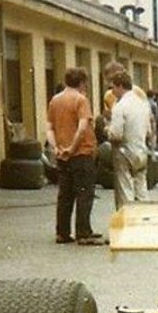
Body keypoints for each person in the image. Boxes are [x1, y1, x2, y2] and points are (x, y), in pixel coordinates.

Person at [45, 67, 102, 245]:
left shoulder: (55, 100)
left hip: (62, 155)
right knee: (84, 193)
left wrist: (56, 148)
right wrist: (72, 147)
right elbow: (82, 127)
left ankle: (62, 232)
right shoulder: (80, 100)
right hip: (81, 153)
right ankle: (83, 232)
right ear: (83, 82)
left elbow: (49, 128)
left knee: (65, 195)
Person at [108, 70, 154, 209]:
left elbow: (116, 134)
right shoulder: (143, 104)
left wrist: (107, 131)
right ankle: (144, 217)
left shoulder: (120, 106)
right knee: (141, 188)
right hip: (141, 150)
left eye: (113, 87)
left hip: (124, 152)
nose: (112, 91)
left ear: (120, 86)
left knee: (125, 189)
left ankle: (127, 220)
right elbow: (149, 131)